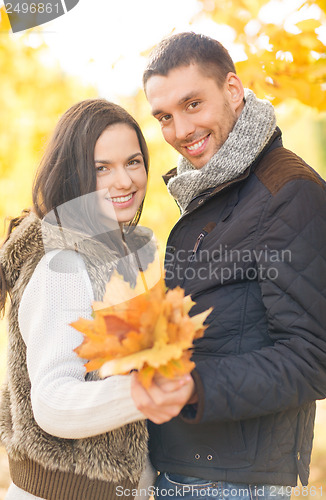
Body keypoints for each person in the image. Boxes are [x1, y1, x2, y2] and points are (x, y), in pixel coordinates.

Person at [131, 32, 326, 498]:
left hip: (231, 480)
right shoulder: (217, 190)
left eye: (192, 104)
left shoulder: (286, 191)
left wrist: (194, 386)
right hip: (191, 466)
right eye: (164, 117)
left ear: (233, 92)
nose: (179, 130)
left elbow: (313, 356)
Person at [0, 98, 176, 500]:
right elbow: (53, 402)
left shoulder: (110, 255)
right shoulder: (64, 264)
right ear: (72, 174)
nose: (125, 181)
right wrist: (151, 391)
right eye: (102, 168)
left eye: (133, 162)